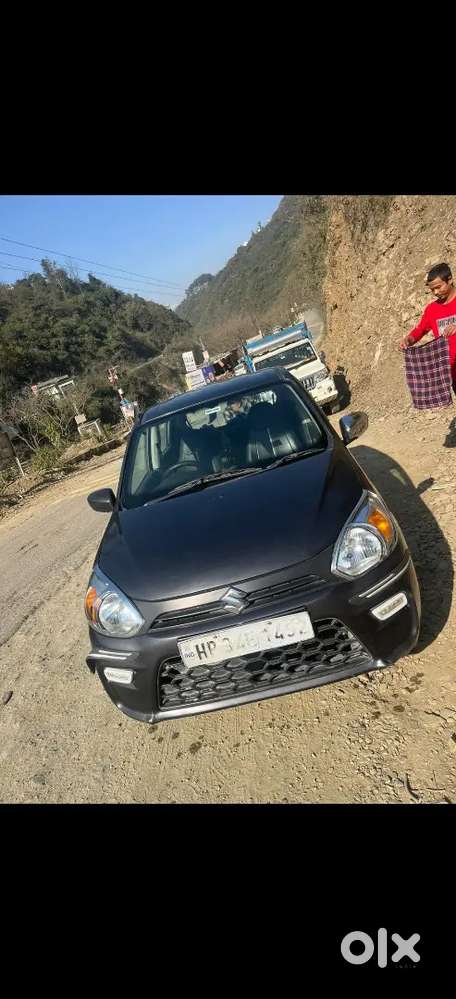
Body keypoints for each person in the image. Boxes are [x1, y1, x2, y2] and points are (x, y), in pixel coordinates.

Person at [400, 262, 456, 389]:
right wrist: (408, 340)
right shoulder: (432, 310)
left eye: (438, 287)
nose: (435, 292)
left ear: (450, 280)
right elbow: (419, 330)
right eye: (432, 289)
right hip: (451, 372)